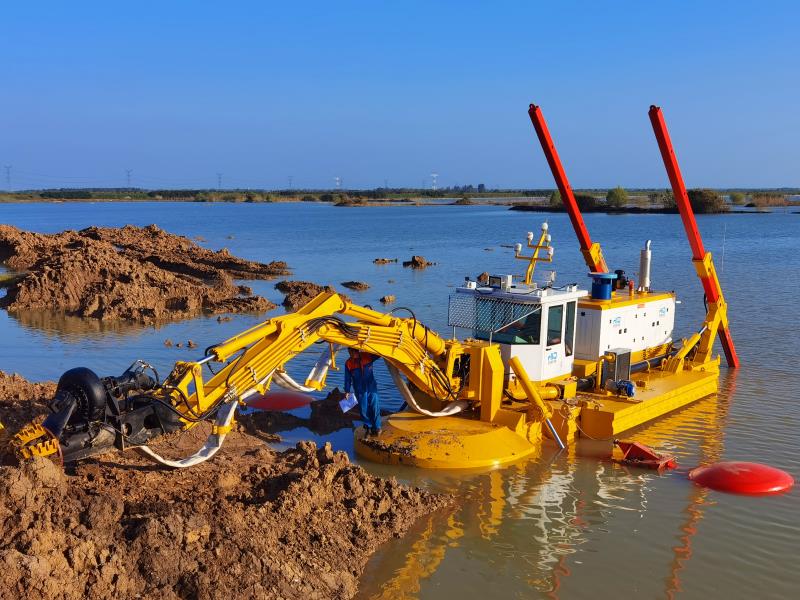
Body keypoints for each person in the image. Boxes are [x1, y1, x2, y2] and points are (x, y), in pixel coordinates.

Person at [344, 348, 381, 436]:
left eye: (351, 351)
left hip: (371, 387)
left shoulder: (368, 356)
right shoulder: (348, 363)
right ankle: (368, 427)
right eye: (349, 351)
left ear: (356, 350)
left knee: (374, 406)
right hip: (359, 389)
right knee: (363, 409)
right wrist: (347, 391)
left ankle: (377, 428)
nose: (350, 353)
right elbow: (347, 378)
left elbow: (380, 353)